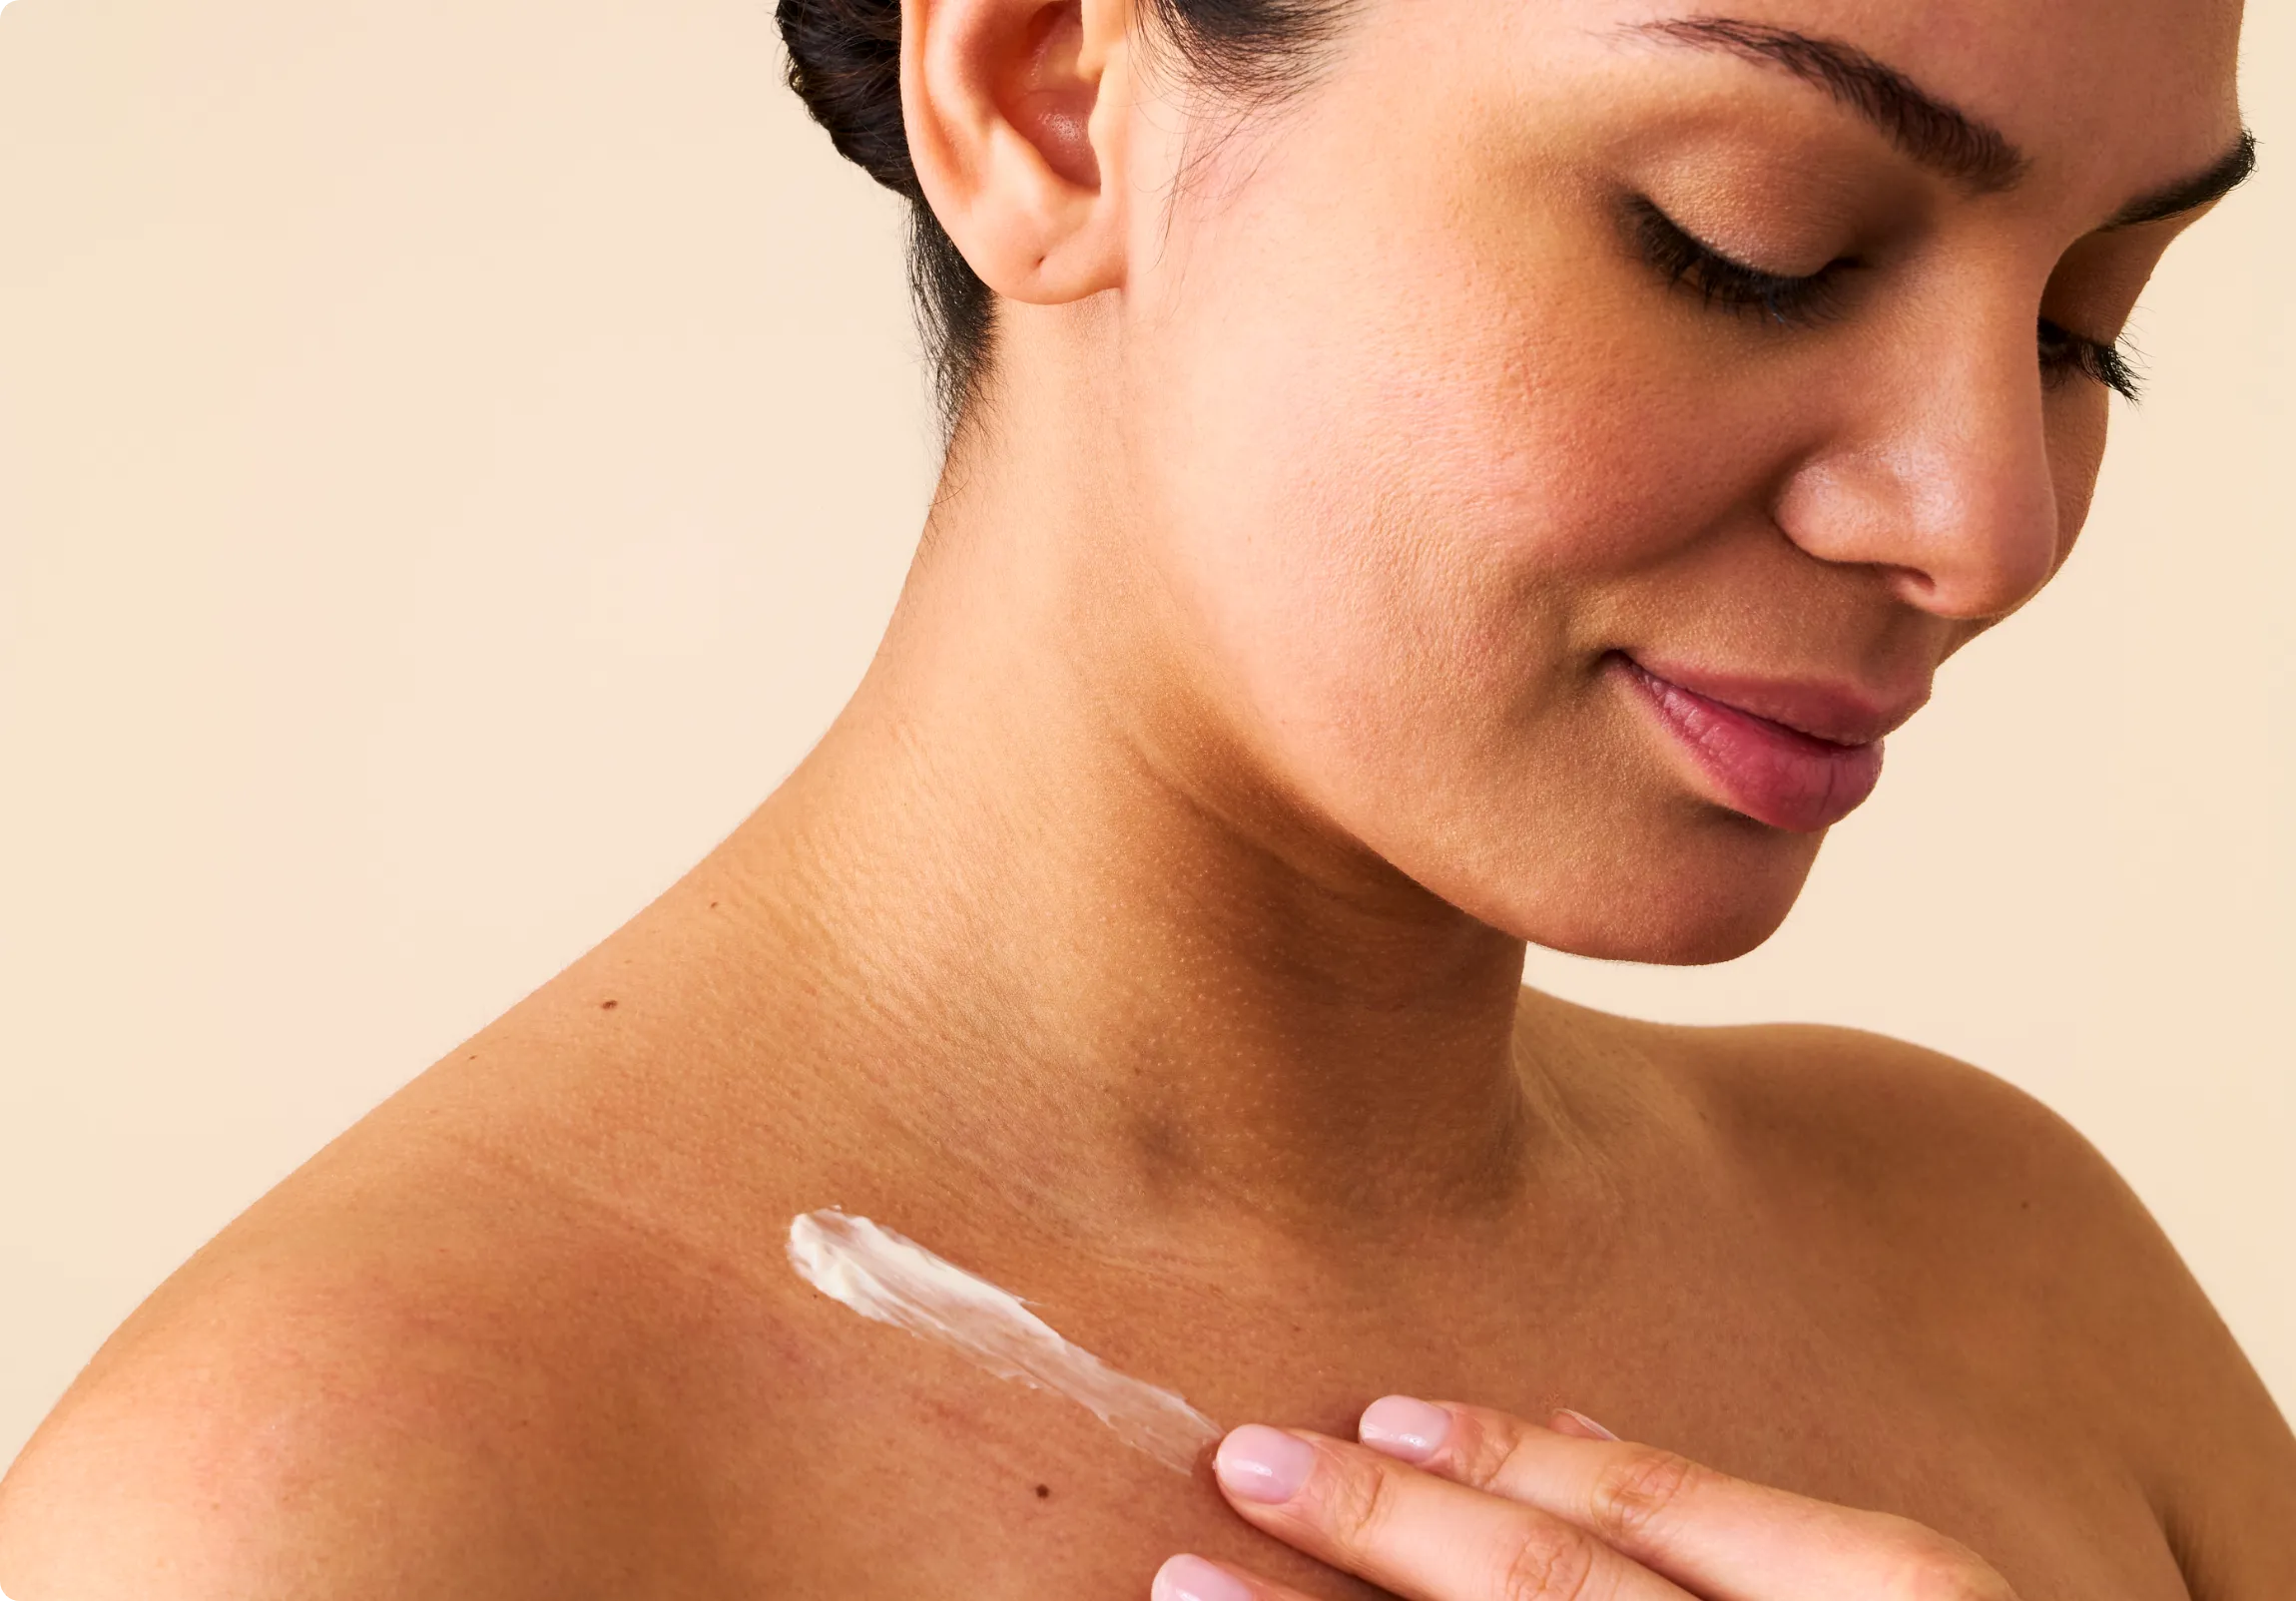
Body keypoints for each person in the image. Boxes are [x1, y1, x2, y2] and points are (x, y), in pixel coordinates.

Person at [0, 0, 2287, 1593]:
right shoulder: (326, 1516)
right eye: (1750, 236)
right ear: (1049, 102)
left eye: (2089, 321)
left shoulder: (2014, 1267)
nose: (1987, 522)